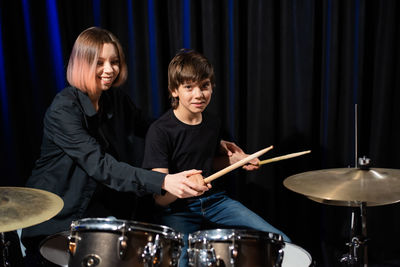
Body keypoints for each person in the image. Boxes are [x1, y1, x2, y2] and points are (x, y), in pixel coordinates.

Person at [21, 27, 209, 267]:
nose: (109, 70)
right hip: (56, 223)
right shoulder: (63, 110)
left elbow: (156, 129)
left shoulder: (115, 99)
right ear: (81, 64)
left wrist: (205, 137)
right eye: (99, 62)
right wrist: (163, 181)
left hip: (98, 218)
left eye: (114, 62)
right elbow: (101, 166)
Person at [142, 49, 291, 266]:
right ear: (174, 90)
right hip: (177, 210)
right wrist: (185, 186)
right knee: (179, 263)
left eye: (204, 86)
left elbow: (206, 163)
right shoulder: (160, 131)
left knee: (281, 243)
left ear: (212, 86)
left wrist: (238, 161)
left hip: (214, 202)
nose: (198, 94)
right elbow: (160, 199)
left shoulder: (212, 123)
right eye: (188, 87)